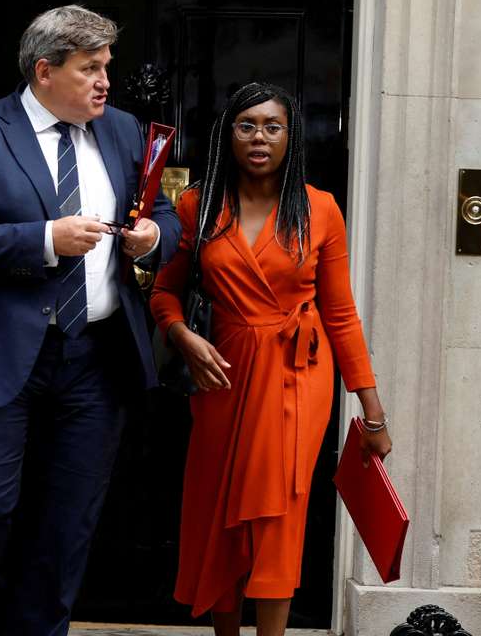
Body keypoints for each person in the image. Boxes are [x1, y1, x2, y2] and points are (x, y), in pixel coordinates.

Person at [0, 5, 181, 635]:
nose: (104, 81)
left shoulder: (122, 131)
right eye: (90, 68)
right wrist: (45, 238)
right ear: (44, 71)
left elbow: (163, 216)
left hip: (95, 358)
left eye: (106, 66)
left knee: (66, 523)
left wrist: (150, 240)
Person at [150, 82, 391, 634]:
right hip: (222, 374)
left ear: (291, 136)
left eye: (272, 126)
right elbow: (164, 291)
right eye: (247, 125)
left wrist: (371, 412)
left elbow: (342, 316)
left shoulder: (321, 210)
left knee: (280, 513)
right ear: (228, 134)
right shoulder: (197, 204)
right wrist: (183, 336)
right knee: (220, 514)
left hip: (296, 378)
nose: (259, 137)